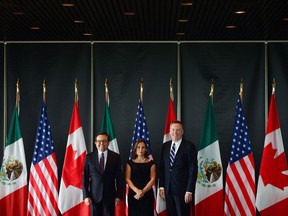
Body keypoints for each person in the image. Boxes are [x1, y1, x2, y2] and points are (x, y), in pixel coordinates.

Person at [158, 120, 198, 216]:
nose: (175, 132)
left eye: (178, 130)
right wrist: (162, 186)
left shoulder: (189, 146)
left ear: (182, 132)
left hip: (183, 191)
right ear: (169, 131)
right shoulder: (165, 146)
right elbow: (162, 167)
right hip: (168, 190)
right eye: (173, 130)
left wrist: (189, 190)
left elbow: (193, 169)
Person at [82, 132, 124, 216]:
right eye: (99, 141)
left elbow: (120, 178)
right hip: (94, 196)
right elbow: (85, 178)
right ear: (95, 143)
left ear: (108, 142)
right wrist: (86, 196)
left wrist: (118, 196)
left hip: (110, 196)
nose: (102, 143)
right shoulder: (89, 157)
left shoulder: (116, 157)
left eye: (104, 141)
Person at [125, 139, 156, 216]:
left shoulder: (151, 163)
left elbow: (153, 179)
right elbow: (127, 179)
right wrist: (137, 191)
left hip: (147, 194)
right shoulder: (130, 163)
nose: (140, 149)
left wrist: (142, 191)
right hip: (134, 195)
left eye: (143, 147)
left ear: (146, 149)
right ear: (135, 149)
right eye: (138, 147)